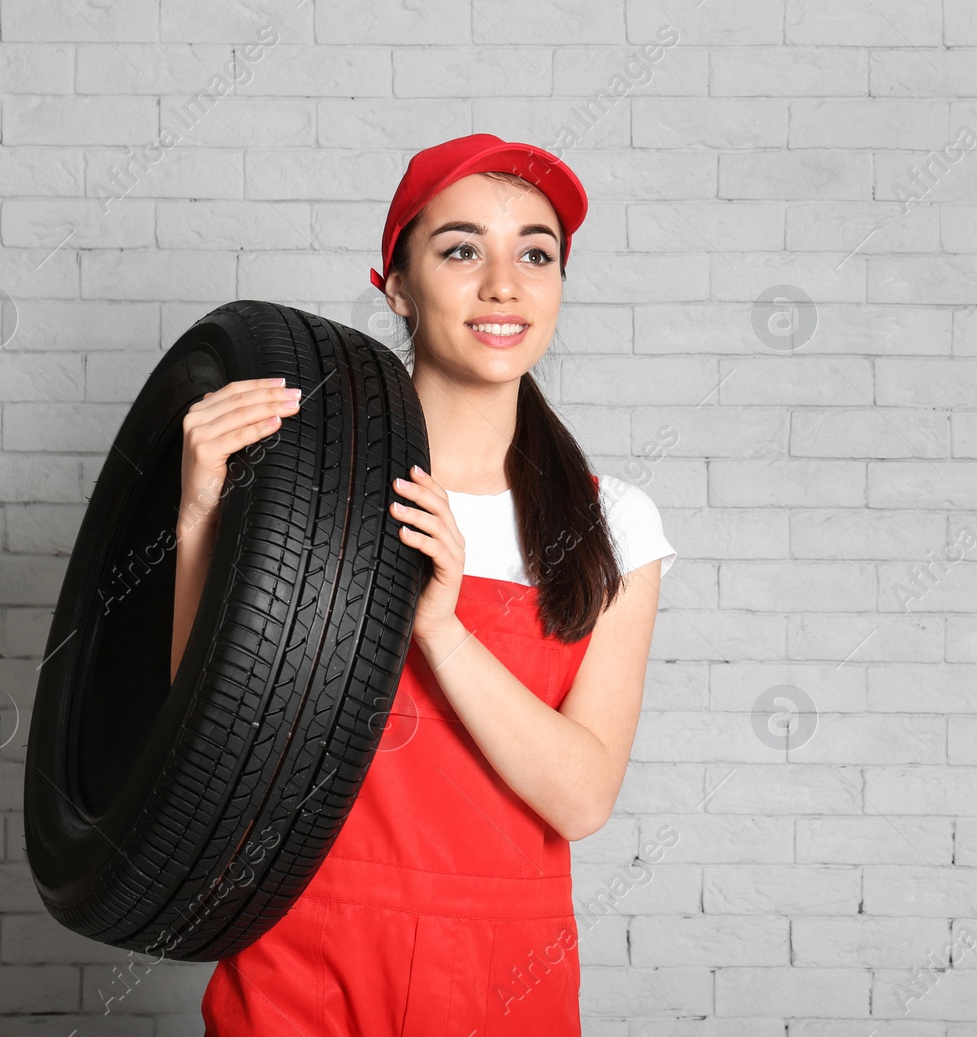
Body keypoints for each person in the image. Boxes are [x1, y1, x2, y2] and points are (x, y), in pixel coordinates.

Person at [178, 133, 676, 1035]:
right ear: (396, 285)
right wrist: (199, 519)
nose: (504, 284)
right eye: (460, 249)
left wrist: (441, 628)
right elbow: (198, 735)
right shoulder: (301, 485)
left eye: (536, 251)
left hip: (506, 979)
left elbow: (583, 794)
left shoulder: (612, 526)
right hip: (300, 956)